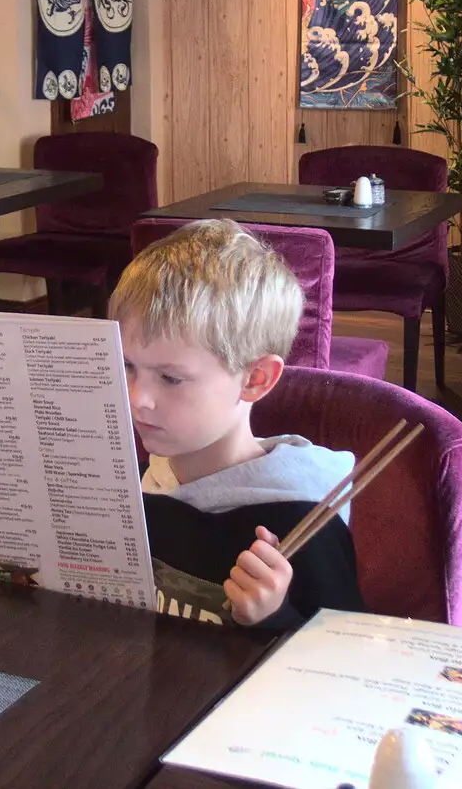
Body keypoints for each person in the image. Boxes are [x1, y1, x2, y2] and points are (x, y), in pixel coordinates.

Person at [110, 219, 365, 628]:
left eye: (171, 378)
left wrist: (274, 617)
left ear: (255, 379)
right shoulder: (132, 486)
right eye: (128, 366)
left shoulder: (301, 518)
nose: (137, 397)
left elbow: (348, 664)